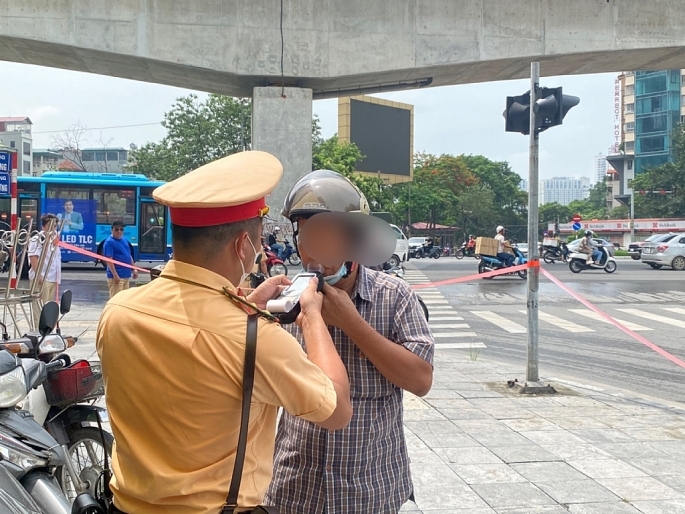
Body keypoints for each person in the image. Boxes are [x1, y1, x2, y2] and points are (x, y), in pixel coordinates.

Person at [96, 151, 352, 514]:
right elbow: (338, 411)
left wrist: (241, 302)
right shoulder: (255, 338)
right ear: (242, 246)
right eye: (259, 238)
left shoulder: (119, 311)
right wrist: (311, 316)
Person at [266, 169, 435, 514]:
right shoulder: (286, 300)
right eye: (309, 234)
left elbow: (420, 380)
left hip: (371, 488)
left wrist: (351, 323)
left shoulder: (394, 296)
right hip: (295, 487)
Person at [27, 214, 61, 327]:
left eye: (55, 225)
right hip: (42, 277)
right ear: (44, 226)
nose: (53, 228)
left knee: (48, 307)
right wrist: (39, 276)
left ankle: (46, 330)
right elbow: (33, 257)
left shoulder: (55, 238)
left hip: (53, 277)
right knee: (39, 307)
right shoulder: (37, 239)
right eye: (50, 225)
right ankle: (38, 331)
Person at [103, 220, 138, 298]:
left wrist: (134, 269)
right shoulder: (109, 242)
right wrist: (115, 275)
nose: (119, 231)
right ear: (112, 230)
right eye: (116, 229)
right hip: (117, 277)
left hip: (126, 276)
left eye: (121, 229)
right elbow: (109, 260)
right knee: (116, 301)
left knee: (123, 301)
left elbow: (128, 255)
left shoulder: (124, 240)